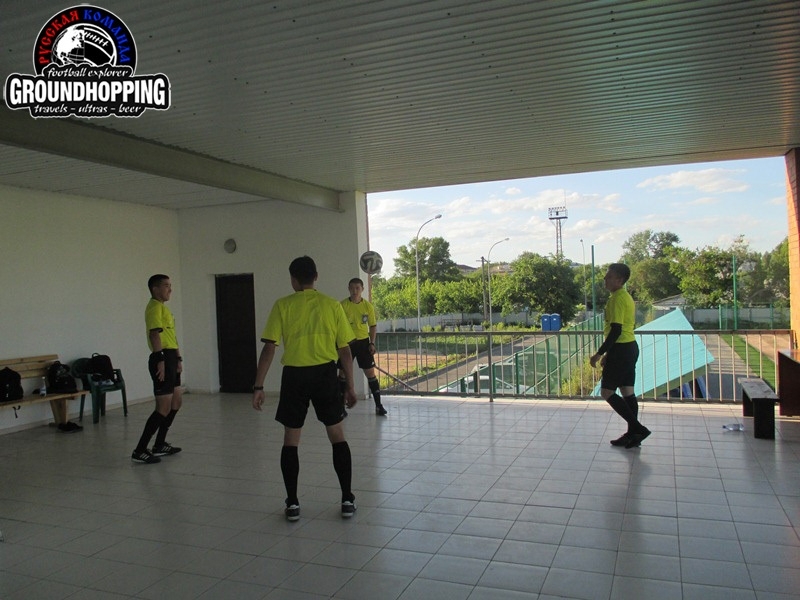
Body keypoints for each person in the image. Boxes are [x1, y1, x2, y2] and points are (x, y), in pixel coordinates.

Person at [252, 256, 358, 522]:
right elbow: (345, 350)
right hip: (325, 375)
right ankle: (347, 498)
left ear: (293, 279)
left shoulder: (282, 305)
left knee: (291, 439)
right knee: (337, 435)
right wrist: (350, 385)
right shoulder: (332, 305)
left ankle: (292, 503)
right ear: (316, 276)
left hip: (295, 377)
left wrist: (259, 385)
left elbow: (269, 348)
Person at [590, 263, 650, 449]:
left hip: (621, 349)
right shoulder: (625, 296)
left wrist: (599, 354)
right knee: (627, 391)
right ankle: (633, 434)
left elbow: (616, 330)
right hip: (629, 348)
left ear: (620, 280)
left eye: (609, 276)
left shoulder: (617, 299)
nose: (605, 279)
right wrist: (609, 353)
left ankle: (638, 429)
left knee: (607, 392)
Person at [131, 274, 184, 464]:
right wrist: (160, 359)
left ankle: (160, 444)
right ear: (155, 289)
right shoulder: (154, 307)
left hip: (171, 357)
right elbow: (155, 335)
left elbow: (172, 336)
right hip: (161, 357)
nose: (170, 289)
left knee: (176, 402)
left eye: (170, 285)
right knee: (163, 408)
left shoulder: (164, 309)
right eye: (166, 286)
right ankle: (140, 450)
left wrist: (178, 358)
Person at [339, 277, 387, 416]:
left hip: (363, 342)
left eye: (357, 288)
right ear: (348, 289)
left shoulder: (367, 306)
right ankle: (340, 408)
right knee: (342, 374)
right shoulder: (342, 305)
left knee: (370, 373)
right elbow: (338, 326)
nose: (354, 291)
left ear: (362, 289)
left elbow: (372, 326)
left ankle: (378, 406)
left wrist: (372, 343)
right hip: (347, 343)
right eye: (352, 288)